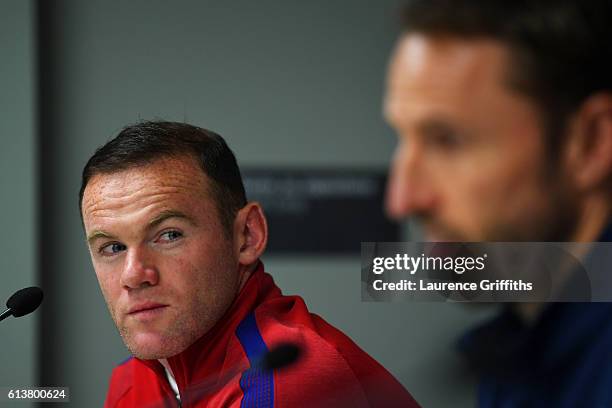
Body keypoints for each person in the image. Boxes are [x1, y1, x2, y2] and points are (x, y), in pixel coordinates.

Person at [79, 121, 419, 407]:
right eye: (112, 247)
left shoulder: (290, 383)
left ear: (247, 235)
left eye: (168, 235)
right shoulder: (130, 381)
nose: (134, 274)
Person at [383, 0, 612, 406]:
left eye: (447, 140)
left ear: (592, 142)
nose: (402, 200)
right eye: (402, 138)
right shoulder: (519, 353)